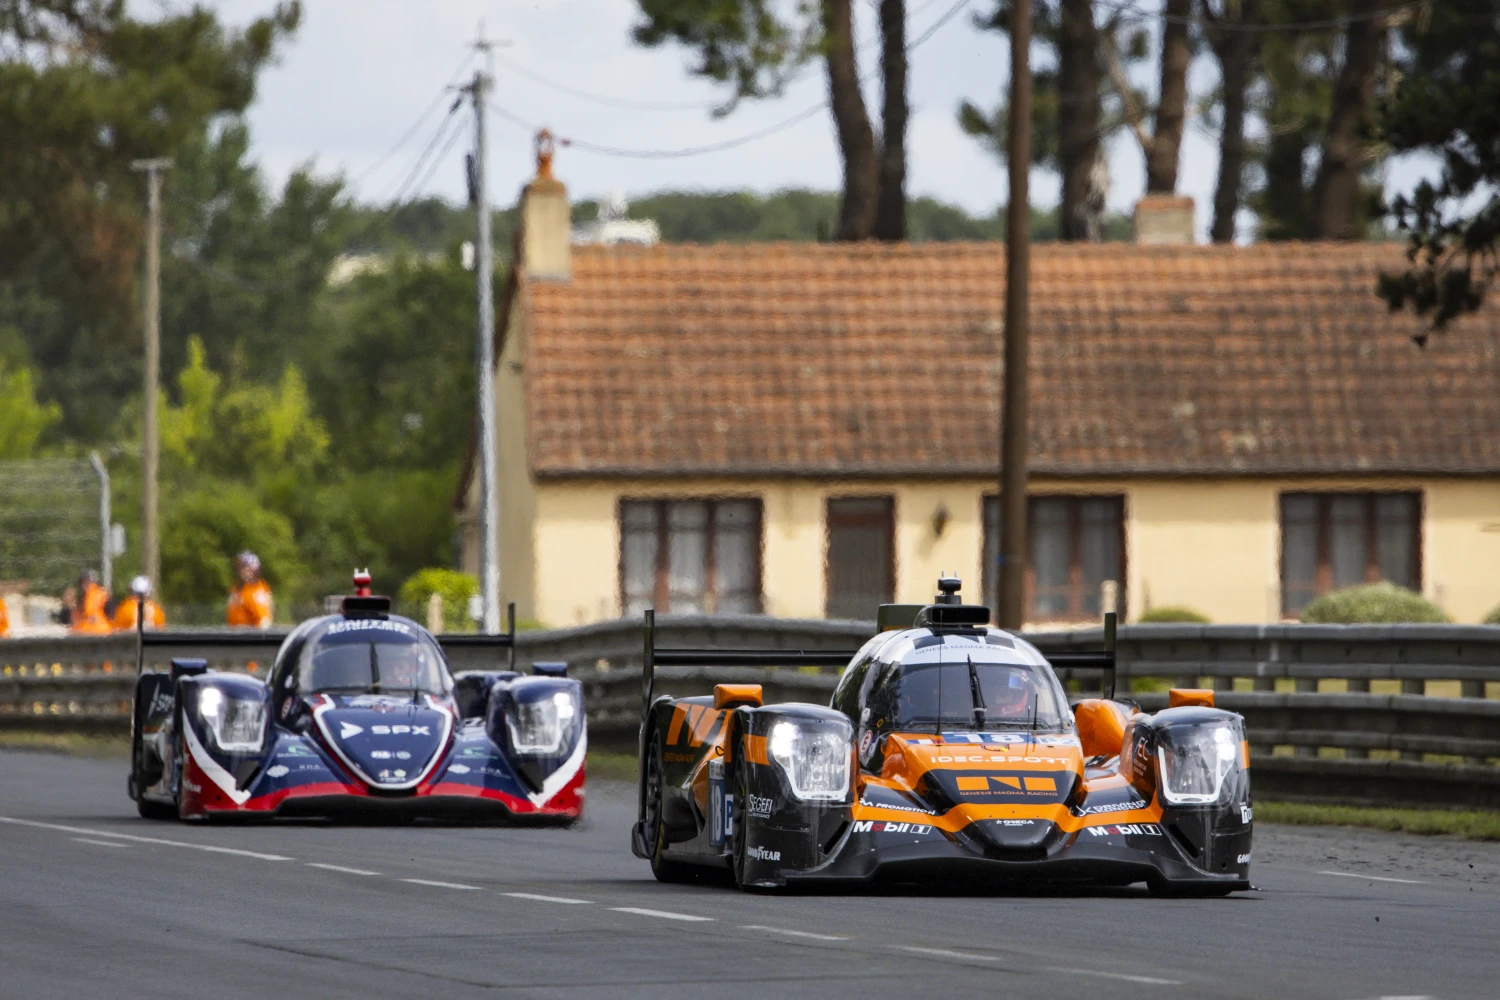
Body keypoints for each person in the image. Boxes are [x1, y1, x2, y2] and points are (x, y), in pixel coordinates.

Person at [226, 552, 273, 629]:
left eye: (245, 568)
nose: (242, 571)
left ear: (254, 570)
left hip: (250, 634)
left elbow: (262, 618)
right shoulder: (236, 588)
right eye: (240, 568)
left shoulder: (257, 589)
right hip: (234, 633)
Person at [69, 570, 113, 635]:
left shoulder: (102, 596)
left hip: (101, 634)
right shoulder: (82, 600)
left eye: (88, 581)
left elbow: (112, 615)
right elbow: (75, 621)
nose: (85, 584)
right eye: (83, 582)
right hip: (87, 635)